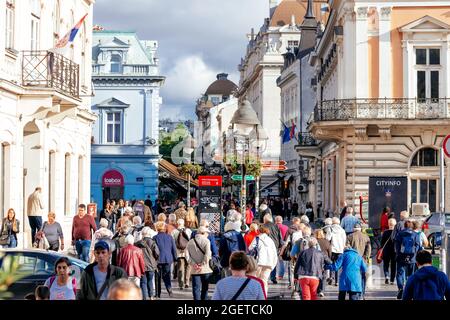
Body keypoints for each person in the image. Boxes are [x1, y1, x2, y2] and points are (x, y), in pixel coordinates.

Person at [248, 225, 278, 296]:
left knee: (255, 280)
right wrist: (273, 265)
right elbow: (274, 253)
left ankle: (255, 296)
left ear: (259, 231)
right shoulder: (270, 240)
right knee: (264, 281)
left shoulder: (257, 238)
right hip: (269, 264)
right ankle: (264, 296)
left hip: (259, 262)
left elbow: (250, 248)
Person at [395, 220, 421, 299]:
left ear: (405, 226)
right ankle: (410, 290)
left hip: (401, 257)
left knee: (399, 273)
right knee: (411, 274)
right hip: (412, 257)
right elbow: (418, 245)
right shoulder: (415, 234)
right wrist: (414, 254)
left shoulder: (399, 234)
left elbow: (397, 246)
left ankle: (400, 288)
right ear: (411, 226)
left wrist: (398, 254)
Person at [187, 226, 213, 300]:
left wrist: (193, 264)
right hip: (205, 268)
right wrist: (202, 264)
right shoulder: (206, 241)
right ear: (203, 233)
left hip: (195, 269)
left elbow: (187, 255)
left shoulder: (190, 242)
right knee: (205, 287)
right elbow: (207, 254)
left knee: (196, 288)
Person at [154, 221, 177, 298]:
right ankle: (169, 289)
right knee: (167, 275)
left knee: (158, 277)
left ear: (157, 228)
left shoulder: (155, 238)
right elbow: (173, 249)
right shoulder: (169, 237)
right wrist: (175, 258)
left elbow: (154, 250)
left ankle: (158, 293)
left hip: (158, 259)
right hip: (168, 259)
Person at [135, 226, 160, 300]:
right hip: (151, 265)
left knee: (143, 282)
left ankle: (144, 297)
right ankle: (151, 296)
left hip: (141, 265)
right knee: (150, 281)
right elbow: (157, 253)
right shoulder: (152, 242)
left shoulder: (137, 243)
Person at [262, 214, 283, 284]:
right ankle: (273, 277)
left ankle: (266, 278)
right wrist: (280, 245)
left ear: (265, 220)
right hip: (275, 246)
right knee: (273, 262)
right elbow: (279, 236)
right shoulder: (275, 226)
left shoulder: (263, 226)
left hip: (265, 246)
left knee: (265, 262)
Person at [172, 219, 192, 290]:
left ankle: (181, 284)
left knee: (180, 268)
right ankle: (187, 282)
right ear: (183, 223)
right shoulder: (188, 231)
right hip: (188, 251)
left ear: (177, 224)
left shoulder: (174, 232)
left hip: (179, 252)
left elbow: (173, 243)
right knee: (188, 266)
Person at [327, 217, 346, 286]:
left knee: (331, 263)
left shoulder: (331, 229)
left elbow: (328, 238)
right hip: (340, 250)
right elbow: (344, 240)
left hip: (332, 249)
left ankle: (331, 277)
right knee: (337, 265)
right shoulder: (342, 230)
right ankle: (337, 281)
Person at [314, 229, 332, 297]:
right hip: (324, 260)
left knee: (316, 275)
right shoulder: (326, 241)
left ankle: (317, 289)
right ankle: (322, 290)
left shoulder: (315, 241)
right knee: (323, 276)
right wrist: (329, 259)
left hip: (316, 260)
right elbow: (330, 251)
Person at [380, 218, 397, 285]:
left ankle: (386, 276)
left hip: (386, 251)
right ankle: (392, 280)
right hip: (394, 251)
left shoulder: (385, 232)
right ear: (395, 224)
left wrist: (382, 249)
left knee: (386, 264)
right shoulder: (396, 233)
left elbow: (382, 243)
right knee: (393, 265)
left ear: (388, 224)